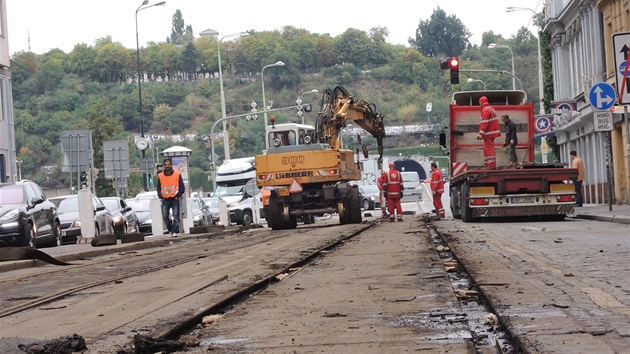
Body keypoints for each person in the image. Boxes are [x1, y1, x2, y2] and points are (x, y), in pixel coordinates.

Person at [157, 158, 185, 236]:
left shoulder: (177, 174)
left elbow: (182, 187)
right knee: (165, 216)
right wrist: (160, 196)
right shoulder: (160, 176)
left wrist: (178, 195)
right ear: (163, 166)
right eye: (166, 165)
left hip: (174, 198)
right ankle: (171, 230)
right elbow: (158, 188)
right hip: (165, 199)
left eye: (169, 164)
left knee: (176, 215)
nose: (167, 166)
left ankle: (175, 231)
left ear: (171, 165)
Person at [477, 96, 501, 169]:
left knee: (489, 148)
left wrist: (481, 133)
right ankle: (487, 165)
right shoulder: (491, 108)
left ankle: (491, 165)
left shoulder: (485, 110)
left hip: (489, 133)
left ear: (481, 102)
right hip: (491, 132)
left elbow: (485, 123)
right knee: (486, 148)